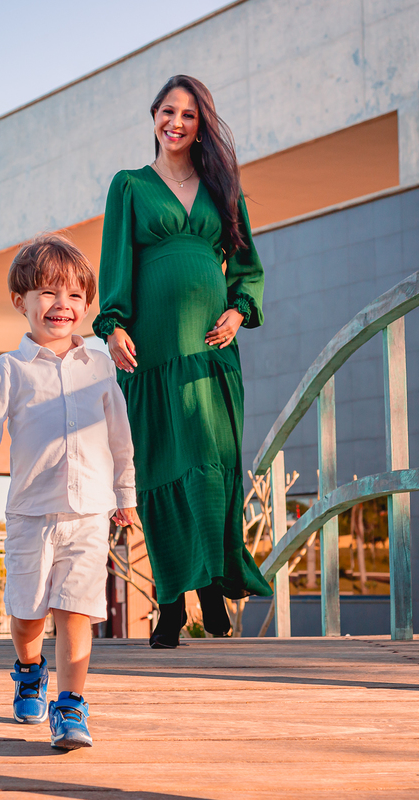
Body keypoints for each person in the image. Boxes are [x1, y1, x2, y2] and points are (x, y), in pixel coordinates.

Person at [93, 74, 272, 649]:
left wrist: (239, 312)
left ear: (201, 126)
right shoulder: (130, 187)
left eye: (189, 115)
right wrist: (113, 325)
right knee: (159, 470)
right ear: (153, 117)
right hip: (151, 352)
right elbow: (116, 261)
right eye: (167, 111)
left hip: (211, 351)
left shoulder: (225, 191)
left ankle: (214, 584)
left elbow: (246, 266)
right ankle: (171, 602)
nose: (176, 122)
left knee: (211, 461)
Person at [0, 233, 139, 750]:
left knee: (77, 608)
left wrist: (126, 495)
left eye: (76, 296)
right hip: (31, 513)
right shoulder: (8, 371)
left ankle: (71, 706)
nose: (63, 306)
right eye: (48, 294)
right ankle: (28, 670)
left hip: (88, 512)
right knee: (29, 612)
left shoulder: (100, 366)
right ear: (21, 302)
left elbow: (119, 438)